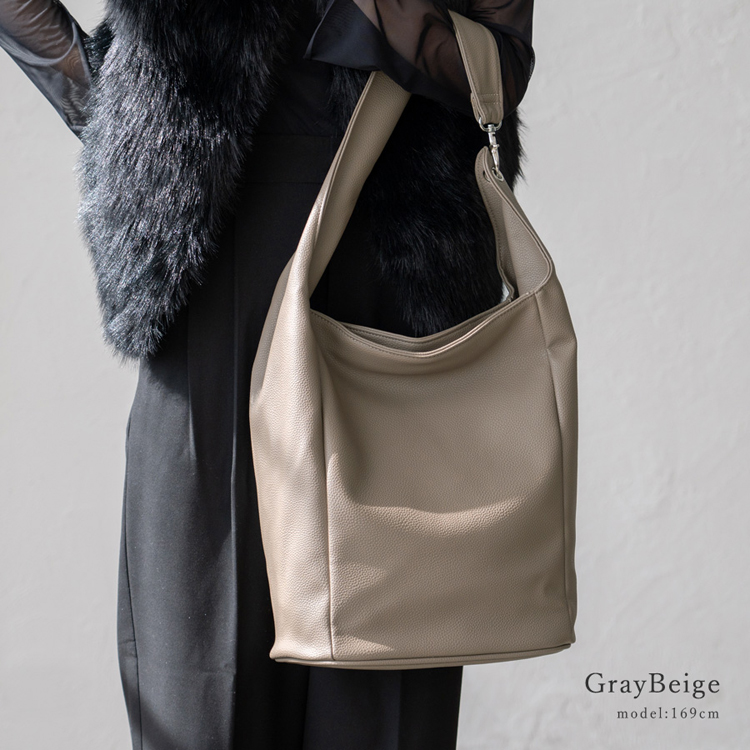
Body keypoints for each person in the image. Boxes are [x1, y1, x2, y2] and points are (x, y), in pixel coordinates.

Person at [0, 1, 535, 748]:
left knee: (387, 670)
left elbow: (499, 67)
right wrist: (117, 107)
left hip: (401, 275)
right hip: (213, 256)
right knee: (198, 679)